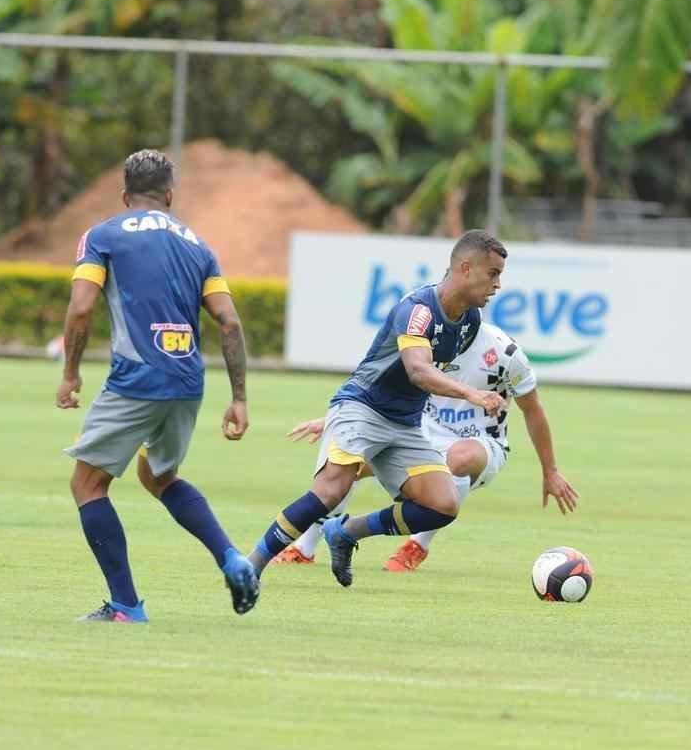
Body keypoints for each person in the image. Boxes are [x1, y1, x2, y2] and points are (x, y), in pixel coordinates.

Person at [56, 149, 258, 622]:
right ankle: (232, 558)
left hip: (136, 378)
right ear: (169, 195)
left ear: (124, 195)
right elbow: (229, 322)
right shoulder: (199, 246)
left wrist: (70, 372)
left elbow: (81, 307)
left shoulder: (102, 236)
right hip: (187, 382)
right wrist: (239, 398)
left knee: (87, 484)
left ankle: (126, 605)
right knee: (159, 477)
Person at [244, 230, 507, 588]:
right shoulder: (418, 311)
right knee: (331, 490)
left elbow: (432, 378)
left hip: (406, 424)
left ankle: (346, 532)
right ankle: (251, 565)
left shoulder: (469, 321)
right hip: (363, 409)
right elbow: (419, 371)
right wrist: (472, 395)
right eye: (493, 274)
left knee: (443, 504)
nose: (498, 285)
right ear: (465, 268)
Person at [272, 321, 579, 571]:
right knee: (349, 462)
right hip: (420, 435)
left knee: (458, 457)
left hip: (483, 443)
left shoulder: (504, 353)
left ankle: (417, 545)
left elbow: (532, 409)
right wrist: (335, 419)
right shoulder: (422, 342)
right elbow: (380, 389)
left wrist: (550, 471)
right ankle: (304, 549)